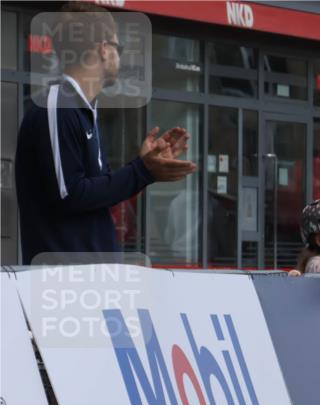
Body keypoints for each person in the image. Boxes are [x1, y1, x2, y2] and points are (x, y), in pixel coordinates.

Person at [15, 2, 197, 264]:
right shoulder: (57, 106)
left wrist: (144, 166)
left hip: (90, 282)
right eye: (118, 47)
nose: (119, 57)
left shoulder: (80, 108)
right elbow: (71, 195)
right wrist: (142, 170)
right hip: (65, 286)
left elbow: (91, 194)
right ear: (103, 49)